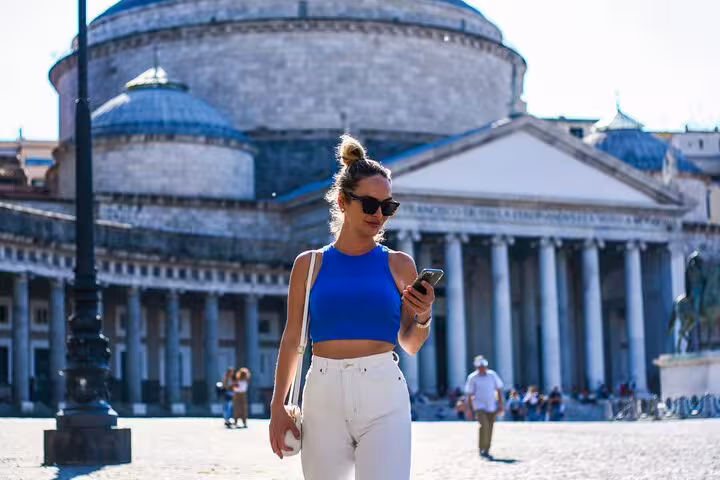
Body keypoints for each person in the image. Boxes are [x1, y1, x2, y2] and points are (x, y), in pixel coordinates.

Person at [268, 134, 437, 480]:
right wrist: (277, 406)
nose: (380, 215)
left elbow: (409, 343)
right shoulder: (309, 264)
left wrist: (423, 315)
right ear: (343, 202)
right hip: (322, 393)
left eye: (388, 207)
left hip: (383, 389)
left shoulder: (400, 264)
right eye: (370, 205)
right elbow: (292, 340)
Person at [464, 355, 504, 458]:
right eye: (480, 367)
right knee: (484, 425)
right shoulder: (472, 377)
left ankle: (487, 448)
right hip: (479, 405)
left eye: (483, 366)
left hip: (491, 405)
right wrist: (468, 409)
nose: (482, 368)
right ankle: (481, 447)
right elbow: (469, 394)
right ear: (477, 367)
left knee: (490, 426)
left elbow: (499, 390)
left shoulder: (492, 375)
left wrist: (501, 405)